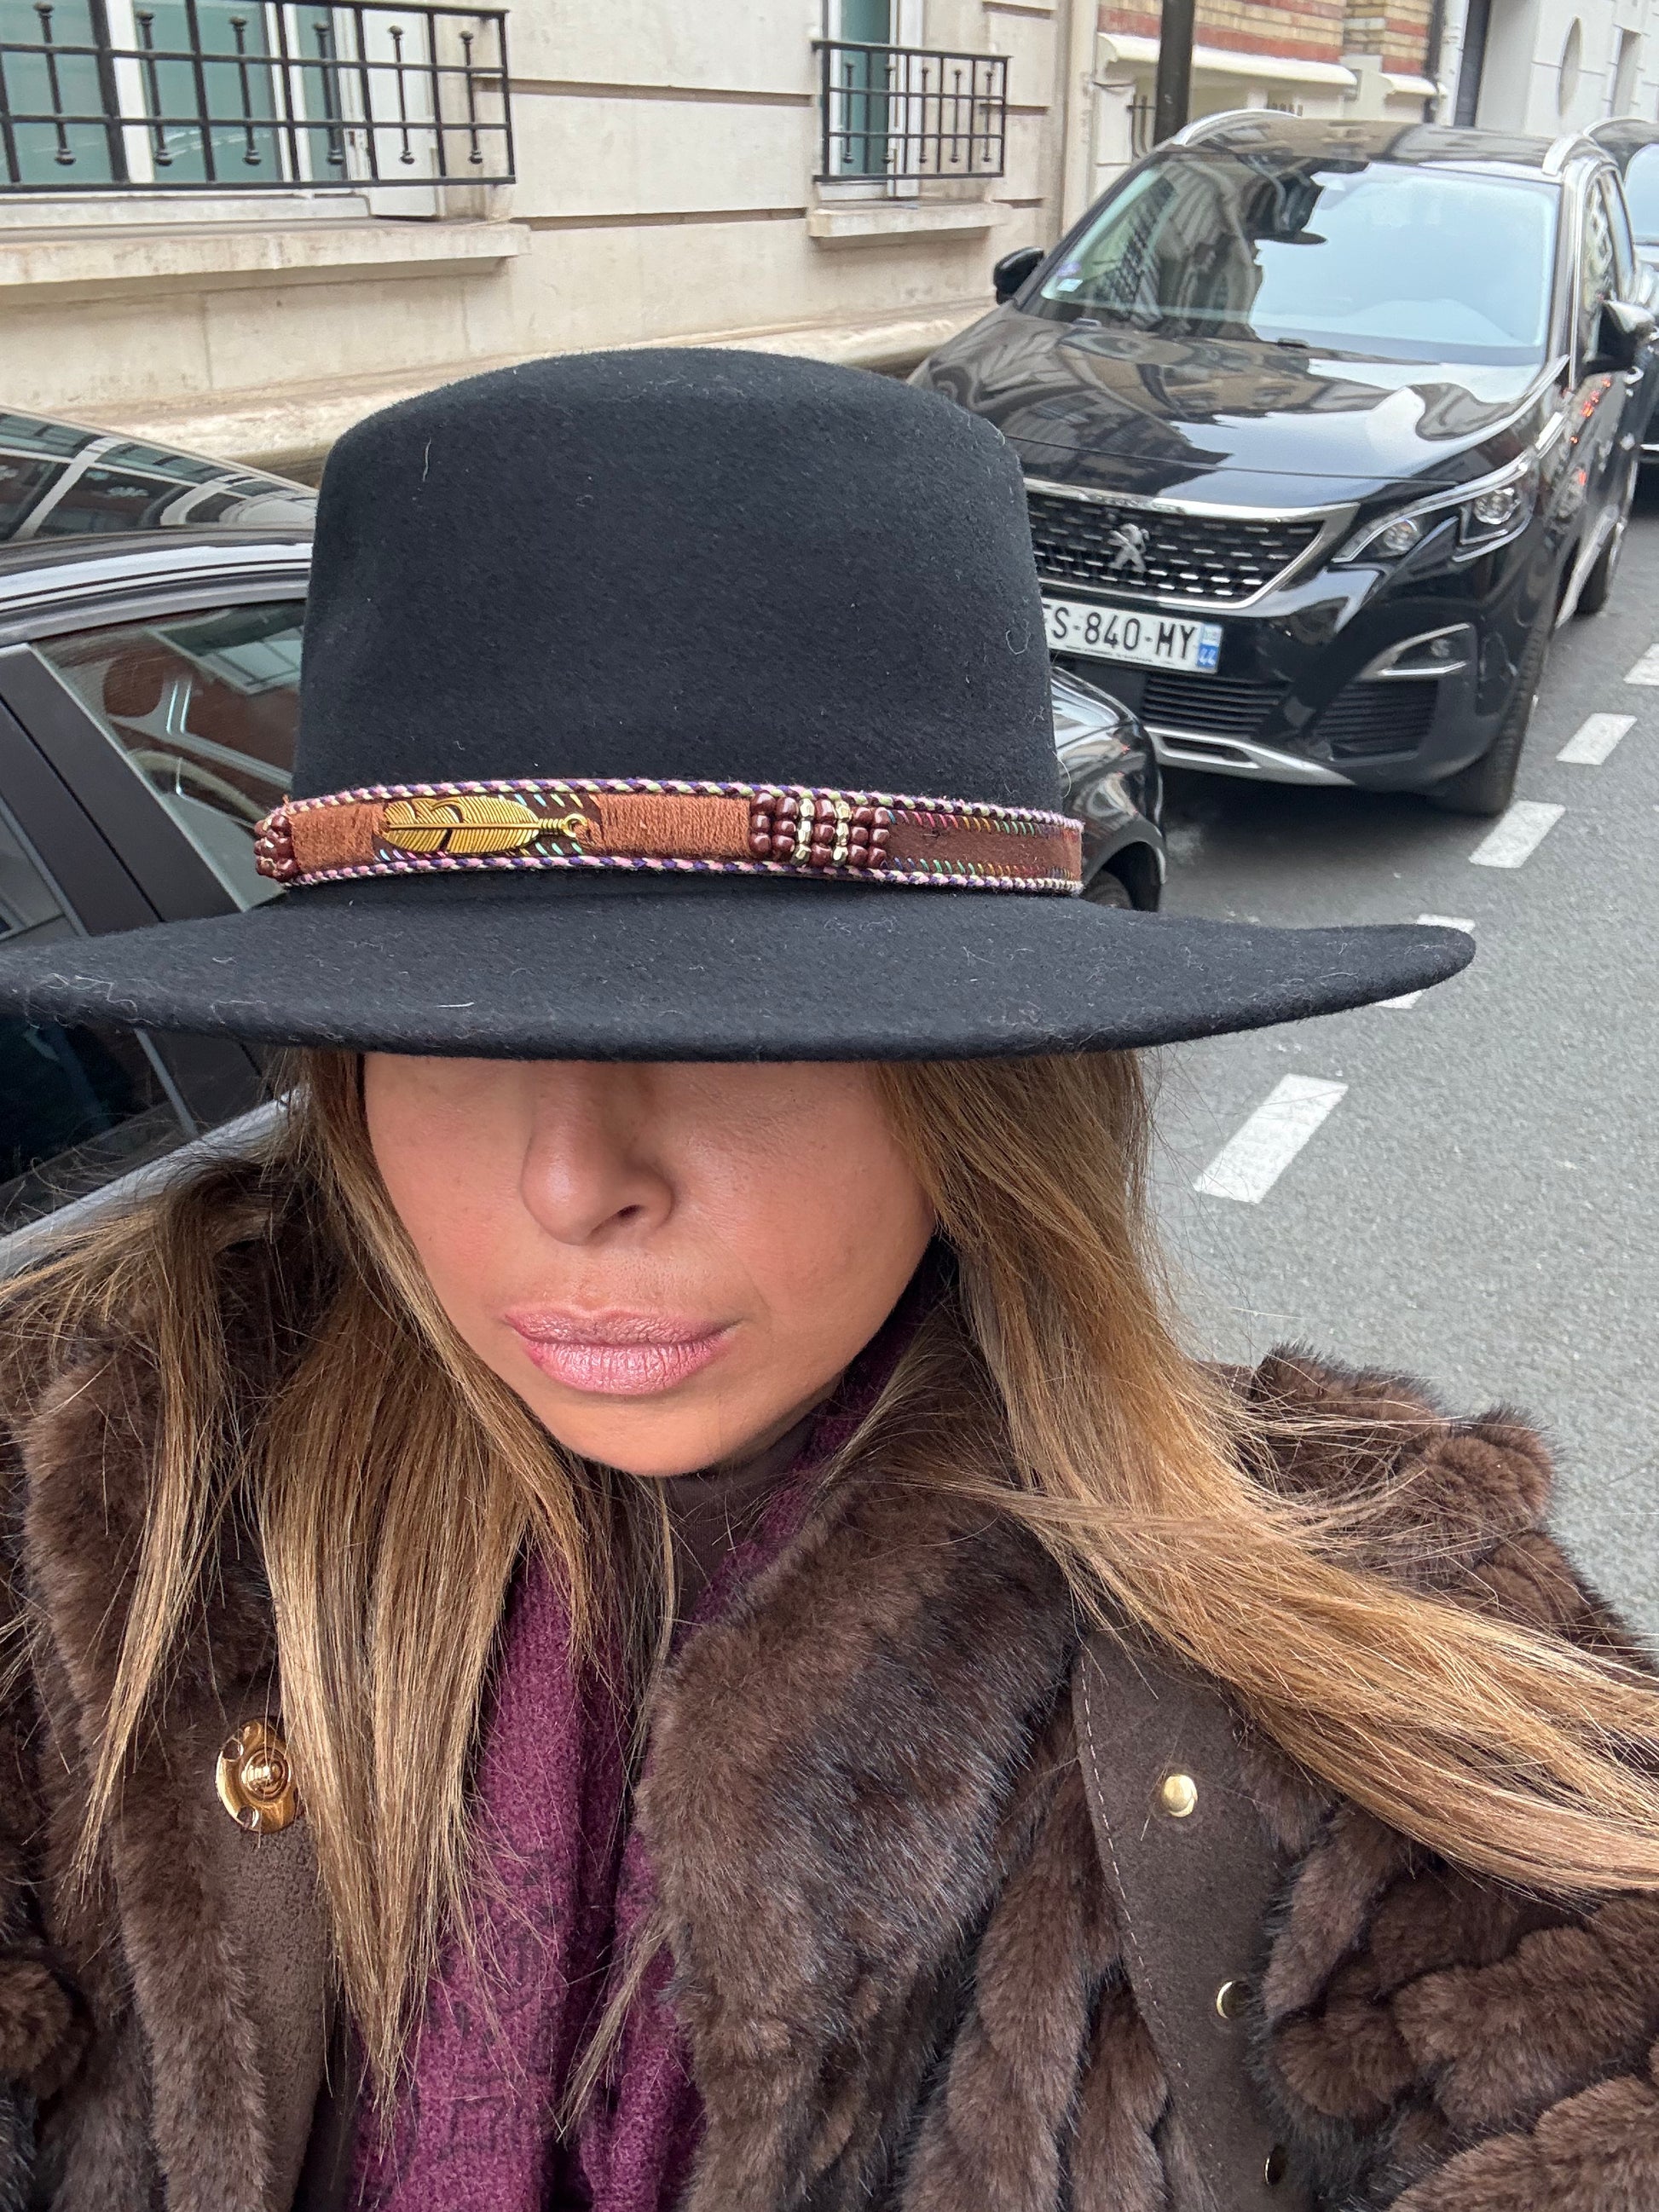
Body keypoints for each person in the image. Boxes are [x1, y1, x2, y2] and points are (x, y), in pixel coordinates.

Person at [0, 351, 1655, 2212]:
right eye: (446, 1035)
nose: (573, 1185)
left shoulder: (1353, 1625)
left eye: (735, 1036)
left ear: (973, 1087)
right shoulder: (90, 1510)